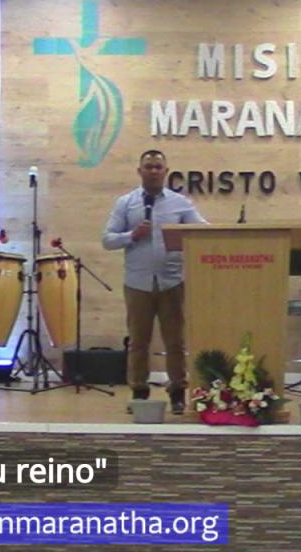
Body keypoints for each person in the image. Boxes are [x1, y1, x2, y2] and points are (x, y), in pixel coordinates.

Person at [102, 150, 206, 414]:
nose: (154, 171)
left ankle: (178, 393)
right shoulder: (126, 203)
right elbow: (107, 240)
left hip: (172, 282)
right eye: (148, 167)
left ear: (166, 171)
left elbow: (202, 231)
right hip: (138, 283)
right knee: (138, 342)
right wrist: (131, 235)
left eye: (158, 167)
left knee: (175, 343)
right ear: (140, 171)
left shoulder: (180, 203)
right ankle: (139, 392)